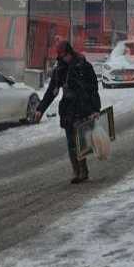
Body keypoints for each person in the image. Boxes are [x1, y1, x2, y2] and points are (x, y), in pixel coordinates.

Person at [34, 39, 101, 184]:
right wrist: (40, 109)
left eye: (65, 55)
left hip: (83, 107)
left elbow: (93, 89)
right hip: (68, 109)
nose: (64, 58)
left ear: (70, 52)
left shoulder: (84, 66)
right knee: (71, 142)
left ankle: (83, 171)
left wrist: (96, 109)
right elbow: (51, 92)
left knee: (81, 140)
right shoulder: (60, 70)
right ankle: (77, 171)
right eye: (61, 56)